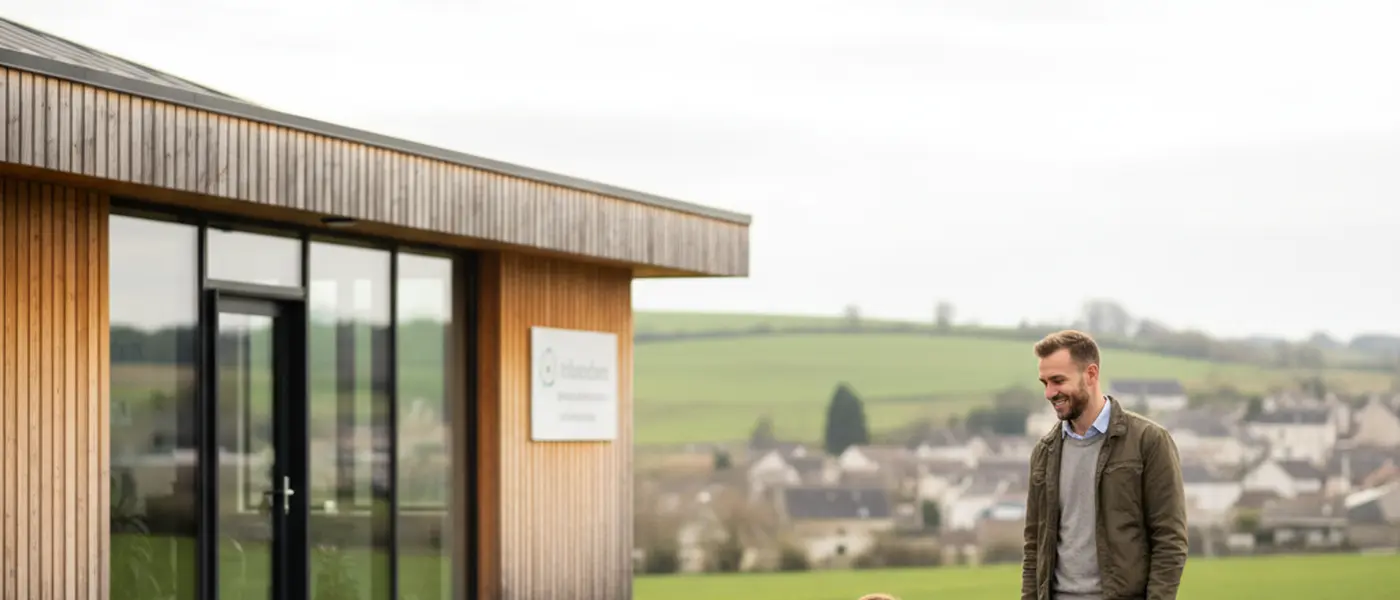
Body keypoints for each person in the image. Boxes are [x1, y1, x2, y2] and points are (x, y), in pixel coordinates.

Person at [1021, 330, 1187, 600]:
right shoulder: (1044, 452)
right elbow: (1033, 545)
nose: (1050, 392)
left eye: (1058, 380)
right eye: (1044, 383)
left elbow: (1170, 541)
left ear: (1091, 374)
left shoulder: (1149, 441)